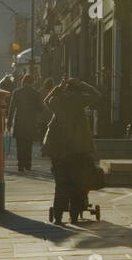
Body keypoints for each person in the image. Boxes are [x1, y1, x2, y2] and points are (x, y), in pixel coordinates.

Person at [43, 78, 101, 224]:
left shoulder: (57, 100)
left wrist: (58, 88)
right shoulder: (79, 100)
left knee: (61, 184)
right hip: (78, 150)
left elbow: (46, 100)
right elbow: (97, 95)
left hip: (59, 152)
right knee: (77, 184)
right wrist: (82, 83)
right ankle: (74, 217)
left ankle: (58, 218)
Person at [6, 74, 44, 173]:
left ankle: (20, 165)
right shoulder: (36, 93)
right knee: (28, 144)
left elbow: (12, 108)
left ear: (23, 81)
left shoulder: (17, 92)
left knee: (20, 144)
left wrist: (9, 123)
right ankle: (28, 164)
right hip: (31, 122)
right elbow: (40, 109)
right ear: (32, 82)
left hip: (19, 122)